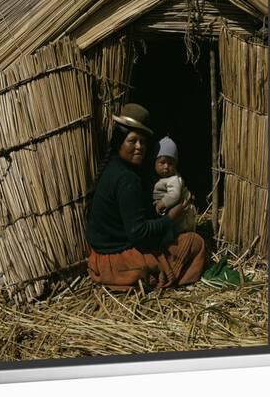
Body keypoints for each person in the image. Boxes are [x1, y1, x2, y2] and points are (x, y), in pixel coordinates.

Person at [86, 103, 205, 290]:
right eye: (132, 141)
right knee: (195, 242)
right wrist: (170, 219)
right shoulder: (126, 179)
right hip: (116, 261)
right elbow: (139, 234)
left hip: (101, 255)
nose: (139, 147)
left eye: (143, 141)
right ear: (120, 141)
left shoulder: (117, 168)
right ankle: (165, 278)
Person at [153, 136, 197, 233]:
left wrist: (162, 203)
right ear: (154, 162)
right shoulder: (158, 178)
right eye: (162, 162)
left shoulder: (174, 179)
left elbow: (174, 195)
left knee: (179, 230)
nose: (166, 167)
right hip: (172, 214)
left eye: (171, 163)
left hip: (182, 216)